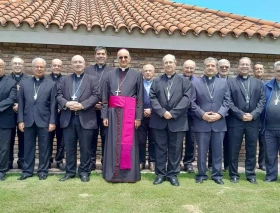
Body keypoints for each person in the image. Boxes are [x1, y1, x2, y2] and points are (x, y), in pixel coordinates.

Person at [101, 49, 143, 183]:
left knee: (128, 143)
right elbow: (104, 97)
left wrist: (138, 117)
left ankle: (129, 175)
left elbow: (140, 98)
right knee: (113, 142)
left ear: (129, 58)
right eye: (120, 57)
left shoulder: (137, 75)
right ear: (117, 59)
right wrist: (104, 116)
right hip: (113, 114)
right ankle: (112, 173)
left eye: (125, 57)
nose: (123, 59)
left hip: (129, 114)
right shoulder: (109, 75)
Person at [150, 54, 191, 186]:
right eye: (166, 62)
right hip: (159, 120)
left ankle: (173, 174)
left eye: (170, 62)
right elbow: (152, 98)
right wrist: (162, 112)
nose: (168, 64)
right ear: (163, 65)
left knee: (175, 149)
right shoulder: (156, 81)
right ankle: (161, 174)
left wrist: (173, 113)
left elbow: (186, 99)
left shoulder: (184, 81)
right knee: (160, 149)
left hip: (177, 121)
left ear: (175, 63)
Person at [57, 55, 100, 182]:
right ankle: (70, 172)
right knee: (69, 147)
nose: (78, 64)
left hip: (86, 118)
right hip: (68, 118)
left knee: (85, 147)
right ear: (71, 64)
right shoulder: (64, 80)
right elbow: (58, 95)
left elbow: (96, 95)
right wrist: (66, 103)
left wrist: (82, 105)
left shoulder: (92, 79)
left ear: (84, 64)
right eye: (75, 62)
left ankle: (84, 172)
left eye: (80, 62)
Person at [192, 57, 230, 184]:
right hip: (202, 122)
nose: (210, 67)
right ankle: (201, 174)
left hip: (219, 123)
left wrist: (220, 114)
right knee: (202, 151)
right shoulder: (195, 82)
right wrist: (202, 114)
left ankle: (217, 175)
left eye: (213, 66)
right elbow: (192, 103)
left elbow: (227, 101)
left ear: (216, 68)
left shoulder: (223, 83)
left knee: (218, 151)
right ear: (204, 67)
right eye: (208, 65)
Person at [17, 58, 57, 180]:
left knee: (44, 148)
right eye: (37, 67)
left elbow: (53, 105)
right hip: (28, 120)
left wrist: (52, 121)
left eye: (41, 67)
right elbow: (21, 103)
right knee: (28, 147)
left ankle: (43, 171)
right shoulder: (25, 83)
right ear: (32, 68)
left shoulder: (51, 84)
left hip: (44, 121)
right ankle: (27, 171)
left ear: (45, 68)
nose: (39, 69)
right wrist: (20, 120)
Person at [227, 57, 265, 184]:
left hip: (253, 122)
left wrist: (253, 115)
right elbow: (229, 102)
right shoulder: (230, 82)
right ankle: (233, 174)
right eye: (242, 64)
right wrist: (241, 114)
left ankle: (251, 174)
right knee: (234, 149)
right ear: (238, 66)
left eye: (247, 65)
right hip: (235, 121)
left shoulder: (258, 83)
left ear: (250, 67)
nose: (244, 66)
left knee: (251, 148)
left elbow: (262, 101)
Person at [85, 46, 114, 170]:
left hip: (106, 110)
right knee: (90, 136)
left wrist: (104, 103)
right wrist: (92, 103)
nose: (101, 56)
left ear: (106, 56)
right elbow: (84, 89)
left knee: (105, 136)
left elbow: (113, 91)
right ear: (95, 56)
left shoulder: (113, 71)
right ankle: (90, 162)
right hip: (90, 110)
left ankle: (105, 162)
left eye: (103, 54)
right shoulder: (87, 70)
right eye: (98, 54)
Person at [208, 59, 232, 171]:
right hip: (215, 116)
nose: (224, 68)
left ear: (229, 68)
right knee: (213, 143)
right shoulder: (212, 79)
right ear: (218, 68)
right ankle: (211, 165)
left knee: (228, 142)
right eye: (222, 66)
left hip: (231, 117)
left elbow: (230, 100)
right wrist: (217, 114)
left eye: (226, 67)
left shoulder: (233, 81)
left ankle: (227, 165)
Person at [8, 56, 29, 170]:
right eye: (15, 63)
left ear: (23, 65)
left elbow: (31, 97)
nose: (17, 65)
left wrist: (20, 106)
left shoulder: (28, 79)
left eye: (19, 63)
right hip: (9, 113)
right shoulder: (6, 79)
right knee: (9, 139)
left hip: (24, 114)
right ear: (11, 65)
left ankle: (22, 161)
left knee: (24, 138)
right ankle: (8, 161)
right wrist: (12, 105)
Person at [262, 61, 280, 182]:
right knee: (270, 155)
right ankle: (271, 176)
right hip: (268, 128)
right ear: (274, 72)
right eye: (278, 71)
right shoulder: (266, 86)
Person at [0, 59, 17, 181]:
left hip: (5, 120)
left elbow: (11, 99)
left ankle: (2, 170)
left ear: (4, 68)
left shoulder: (11, 82)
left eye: (0, 66)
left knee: (3, 147)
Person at [47, 59, 65, 170]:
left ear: (61, 67)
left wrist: (59, 107)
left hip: (62, 114)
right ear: (51, 66)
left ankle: (59, 160)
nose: (57, 67)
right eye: (54, 65)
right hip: (48, 115)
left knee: (61, 139)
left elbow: (66, 95)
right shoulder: (46, 79)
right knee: (47, 138)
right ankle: (47, 159)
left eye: (59, 65)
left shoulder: (65, 80)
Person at [138, 64, 155, 171]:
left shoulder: (158, 83)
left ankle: (152, 161)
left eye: (150, 70)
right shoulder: (138, 84)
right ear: (142, 72)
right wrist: (141, 110)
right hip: (141, 116)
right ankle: (141, 161)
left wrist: (152, 110)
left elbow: (162, 100)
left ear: (154, 72)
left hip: (155, 116)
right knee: (140, 140)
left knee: (154, 140)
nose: (148, 72)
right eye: (146, 71)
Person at [181, 60, 197, 173]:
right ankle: (176, 162)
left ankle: (188, 162)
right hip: (179, 115)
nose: (189, 70)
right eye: (187, 67)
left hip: (192, 115)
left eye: (191, 68)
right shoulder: (177, 80)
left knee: (191, 140)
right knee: (177, 140)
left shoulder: (198, 82)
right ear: (183, 68)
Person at [253, 62, 266, 171]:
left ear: (264, 71)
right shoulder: (251, 83)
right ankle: (251, 163)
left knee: (264, 142)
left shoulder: (267, 85)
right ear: (254, 71)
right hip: (253, 117)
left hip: (265, 118)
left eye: (261, 69)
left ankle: (262, 163)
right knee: (252, 142)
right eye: (257, 69)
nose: (259, 71)